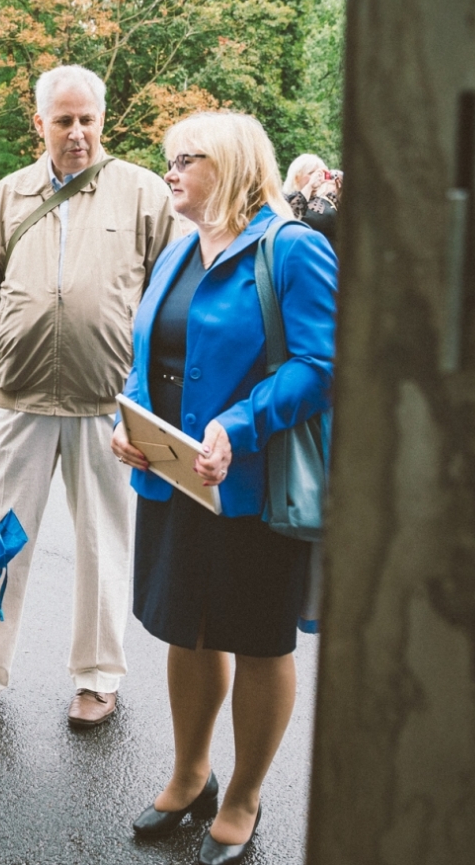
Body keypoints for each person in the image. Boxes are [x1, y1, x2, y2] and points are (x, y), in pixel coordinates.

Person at [112, 111, 335, 865]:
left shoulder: (294, 248)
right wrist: (133, 419)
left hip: (256, 487)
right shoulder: (178, 252)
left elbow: (321, 364)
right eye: (168, 158)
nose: (170, 170)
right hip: (177, 482)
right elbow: (149, 349)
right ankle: (188, 776)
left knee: (260, 639)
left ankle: (242, 796)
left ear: (234, 164)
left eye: (187, 157)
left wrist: (240, 424)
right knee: (188, 627)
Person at [0, 64, 179, 732]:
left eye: (88, 120)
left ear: (101, 121)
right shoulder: (8, 195)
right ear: (39, 122)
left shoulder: (142, 194)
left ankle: (98, 677)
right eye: (63, 120)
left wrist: (151, 410)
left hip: (108, 405)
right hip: (19, 401)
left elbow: (169, 309)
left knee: (104, 543)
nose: (77, 134)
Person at [281, 153, 327, 220]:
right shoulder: (284, 200)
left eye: (319, 174)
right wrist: (309, 186)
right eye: (311, 173)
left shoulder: (325, 200)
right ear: (296, 177)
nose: (316, 177)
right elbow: (292, 218)